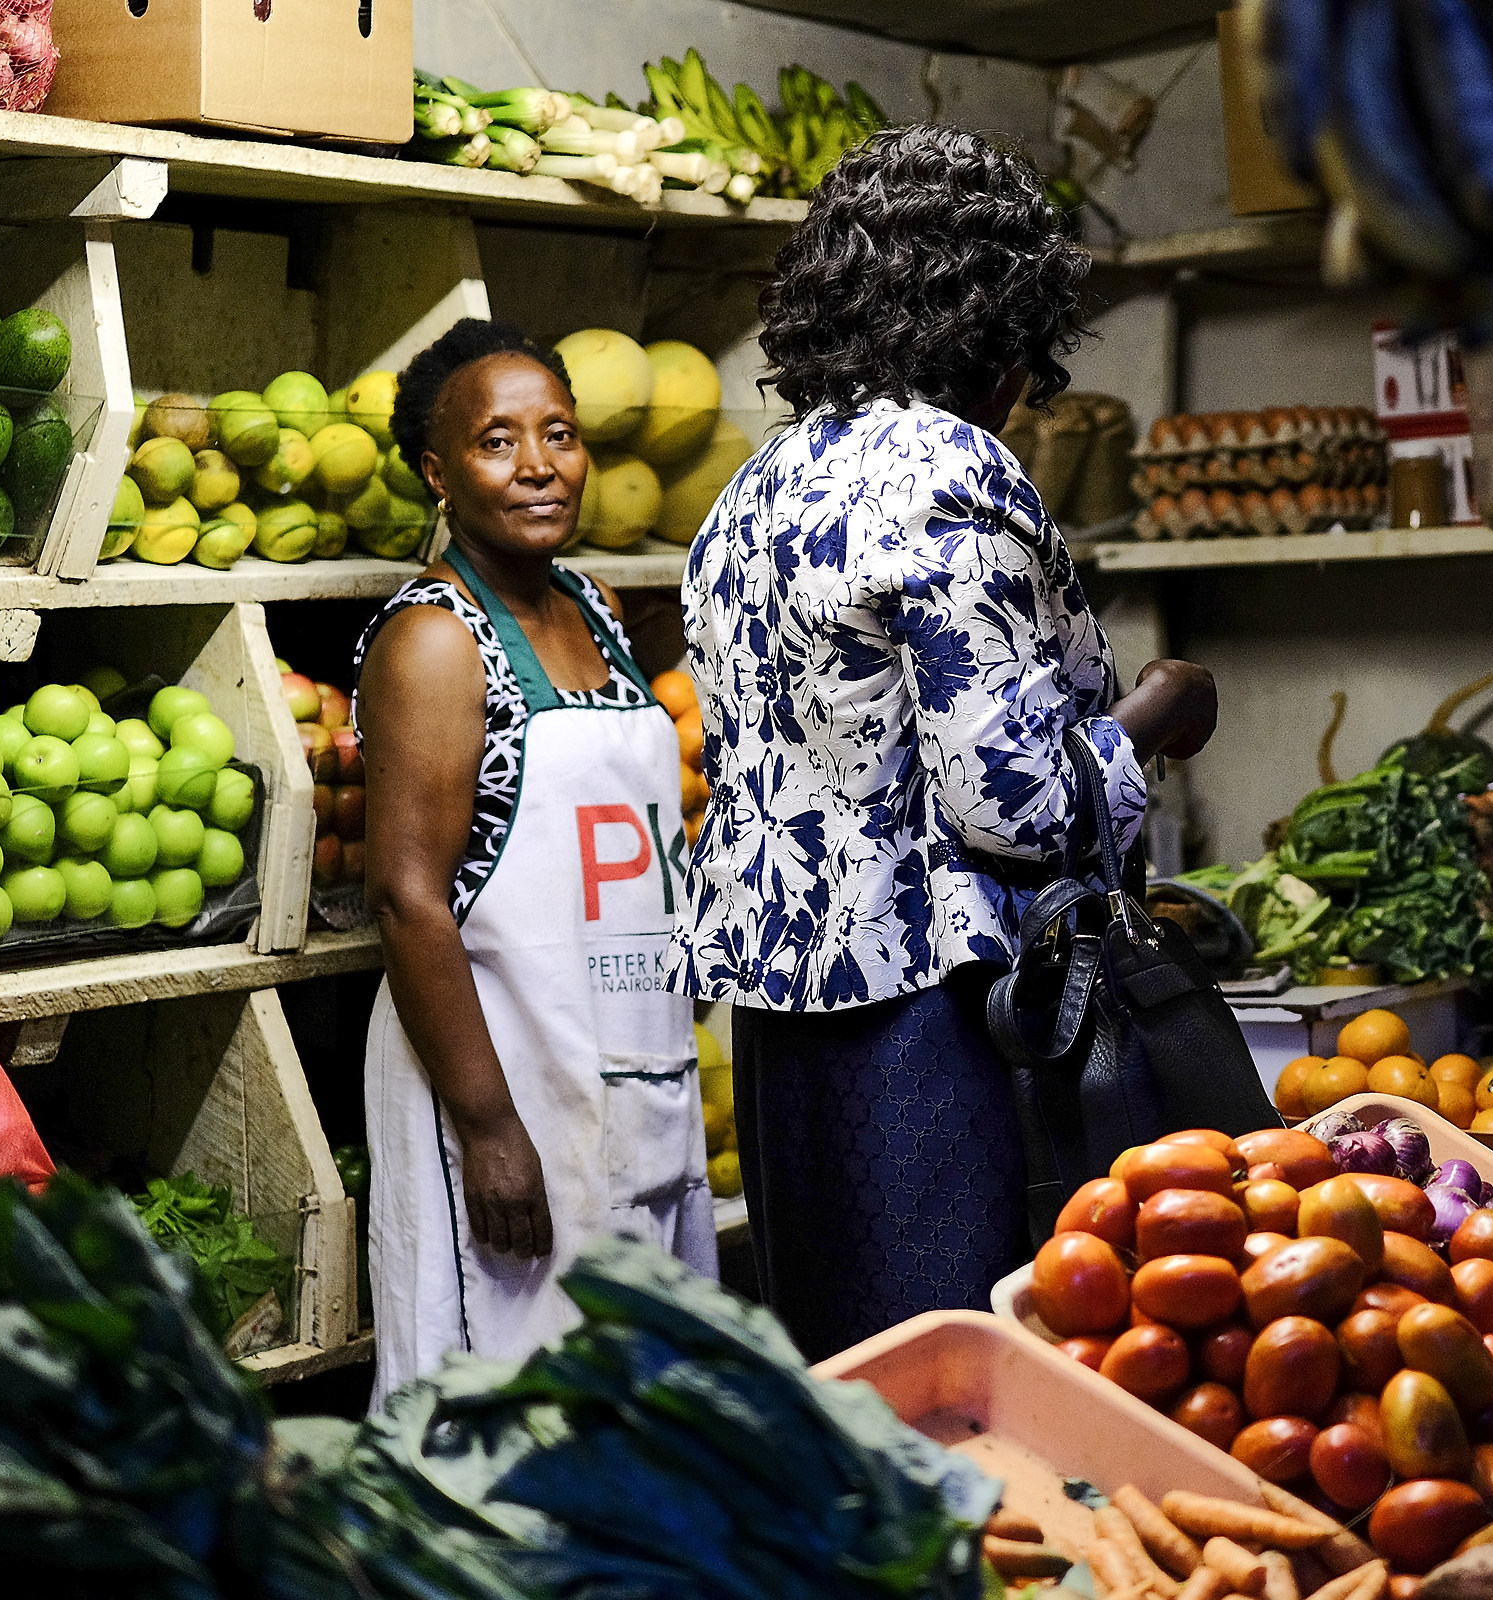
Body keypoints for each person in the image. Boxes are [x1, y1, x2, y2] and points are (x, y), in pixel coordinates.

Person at [671, 126, 1220, 1361]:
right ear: (1001, 321)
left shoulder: (755, 486)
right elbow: (1013, 803)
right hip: (945, 1025)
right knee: (981, 1383)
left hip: (784, 1028)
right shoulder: (950, 466)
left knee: (861, 1384)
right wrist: (1160, 708)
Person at [356, 318, 715, 1405]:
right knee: (499, 1417)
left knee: (635, 1408)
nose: (538, 465)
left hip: (625, 1071)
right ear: (438, 471)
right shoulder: (434, 639)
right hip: (503, 1080)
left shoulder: (597, 613)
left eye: (557, 433)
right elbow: (406, 896)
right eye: (497, 441)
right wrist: (490, 1128)